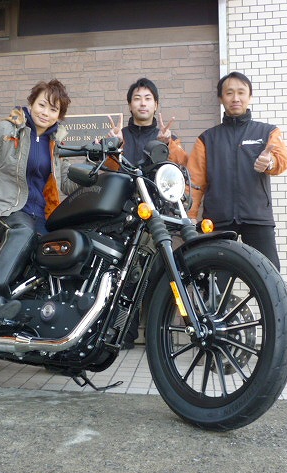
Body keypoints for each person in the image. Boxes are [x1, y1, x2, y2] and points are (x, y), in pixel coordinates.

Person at [186, 71, 287, 371]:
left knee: (271, 286)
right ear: (221, 98)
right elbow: (195, 183)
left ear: (249, 96)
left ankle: (282, 351)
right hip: (217, 221)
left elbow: (282, 159)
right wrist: (190, 218)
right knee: (216, 289)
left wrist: (270, 162)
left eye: (241, 92)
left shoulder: (267, 132)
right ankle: (218, 349)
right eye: (229, 93)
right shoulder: (207, 139)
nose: (235, 98)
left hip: (257, 219)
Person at [0, 79, 75, 328]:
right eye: (42, 105)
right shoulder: (7, 129)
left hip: (40, 217)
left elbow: (67, 182)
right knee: (23, 231)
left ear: (59, 116)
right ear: (31, 103)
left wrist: (102, 165)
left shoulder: (56, 144)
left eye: (53, 109)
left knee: (61, 251)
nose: (45, 113)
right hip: (4, 208)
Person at [107, 77, 188, 349]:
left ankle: (160, 336)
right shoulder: (120, 135)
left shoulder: (167, 137)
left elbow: (181, 171)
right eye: (137, 98)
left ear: (156, 105)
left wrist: (169, 146)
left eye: (148, 98)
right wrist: (115, 147)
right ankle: (122, 334)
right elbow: (108, 172)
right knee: (126, 276)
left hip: (159, 217)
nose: (142, 103)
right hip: (125, 215)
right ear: (130, 105)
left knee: (162, 276)